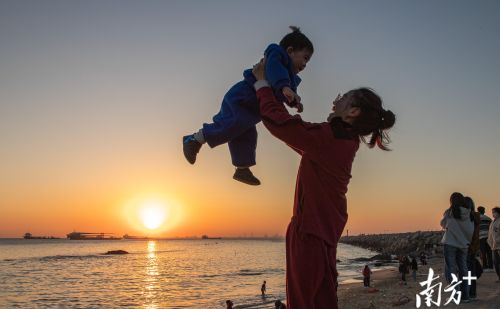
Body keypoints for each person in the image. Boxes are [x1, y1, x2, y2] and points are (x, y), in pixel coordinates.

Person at [252, 59, 396, 308]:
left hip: (311, 231)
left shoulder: (333, 138)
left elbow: (282, 126)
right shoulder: (343, 140)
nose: (335, 100)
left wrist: (261, 84)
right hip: (321, 230)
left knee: (307, 300)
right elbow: (298, 139)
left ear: (353, 112)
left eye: (343, 98)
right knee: (320, 295)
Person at [183, 26, 313, 186]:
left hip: (253, 109)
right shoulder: (277, 55)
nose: (306, 64)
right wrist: (284, 86)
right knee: (232, 125)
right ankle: (194, 139)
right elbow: (274, 70)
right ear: (290, 50)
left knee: (247, 136)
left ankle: (242, 168)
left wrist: (294, 101)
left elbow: (284, 94)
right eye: (305, 58)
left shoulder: (290, 78)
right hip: (243, 96)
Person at [440, 192, 474, 303]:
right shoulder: (469, 213)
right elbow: (470, 229)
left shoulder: (450, 212)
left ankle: (455, 296)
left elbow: (443, 224)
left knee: (451, 269)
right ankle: (465, 296)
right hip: (464, 245)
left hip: (450, 243)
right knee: (464, 269)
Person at [465, 196, 480, 300]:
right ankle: (472, 293)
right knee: (471, 271)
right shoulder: (475, 216)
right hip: (473, 247)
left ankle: (468, 293)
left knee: (466, 271)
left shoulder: (467, 217)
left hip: (466, 246)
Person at [487, 207, 500, 281]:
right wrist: (489, 241)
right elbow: (490, 233)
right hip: (494, 246)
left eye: (494, 212)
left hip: (498, 245)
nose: (493, 214)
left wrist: (497, 240)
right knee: (496, 262)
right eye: (492, 212)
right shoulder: (492, 222)